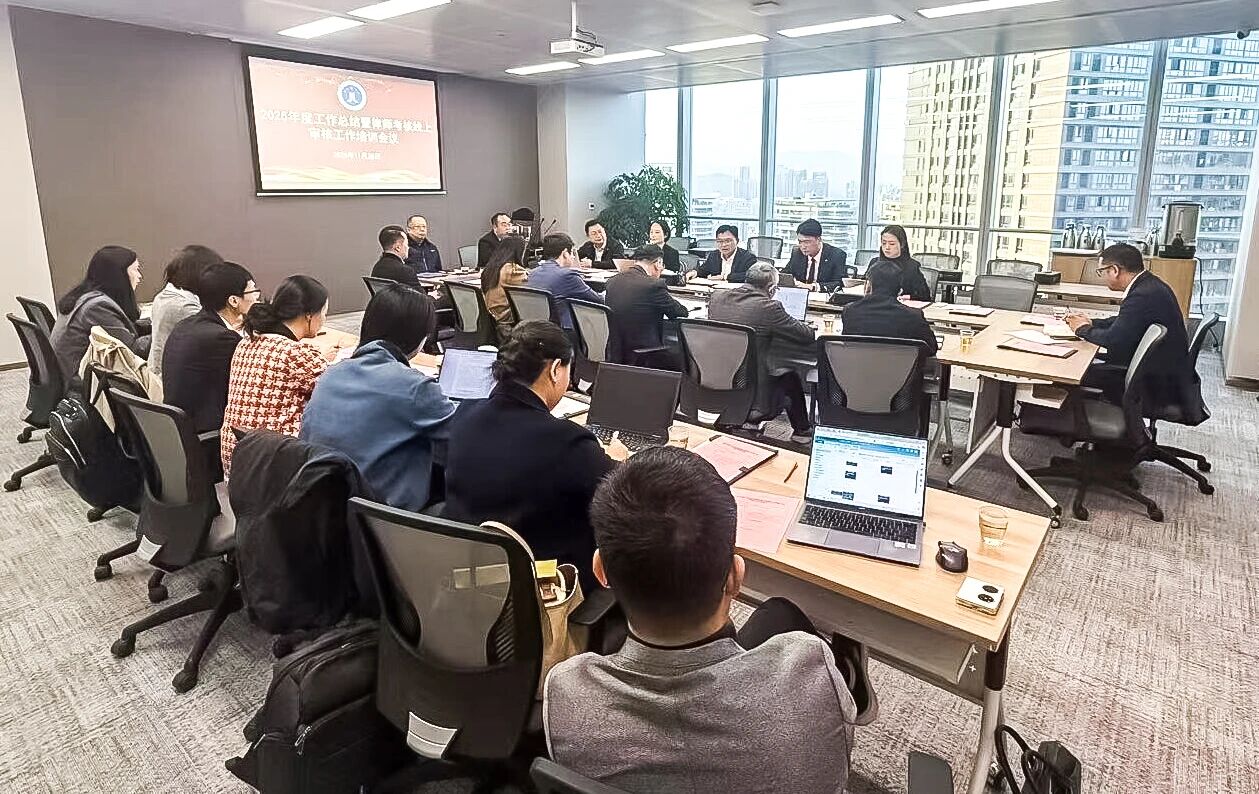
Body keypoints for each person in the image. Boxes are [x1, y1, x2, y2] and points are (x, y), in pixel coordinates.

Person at [544, 446, 857, 793]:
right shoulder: (811, 668)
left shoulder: (567, 691)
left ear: (601, 570)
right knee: (780, 615)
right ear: (736, 577)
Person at [443, 321, 615, 588]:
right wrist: (614, 456)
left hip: (469, 577)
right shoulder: (567, 441)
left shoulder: (464, 414)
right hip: (545, 585)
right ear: (555, 370)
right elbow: (625, 487)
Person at [301, 285, 455, 511]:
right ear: (419, 338)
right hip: (384, 517)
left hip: (325, 507)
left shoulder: (330, 375)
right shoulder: (414, 387)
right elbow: (464, 443)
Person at [220, 275, 331, 475]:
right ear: (309, 315)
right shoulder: (295, 354)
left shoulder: (246, 342)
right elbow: (337, 389)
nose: (324, 319)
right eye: (323, 312)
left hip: (237, 465)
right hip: (276, 468)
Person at [1064, 242, 1192, 407]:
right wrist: (1092, 322)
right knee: (1081, 363)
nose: (1102, 277)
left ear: (1115, 270)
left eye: (1102, 272)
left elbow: (1114, 340)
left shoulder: (1142, 295)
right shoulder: (1148, 285)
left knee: (1070, 370)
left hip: (1152, 383)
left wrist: (1082, 329)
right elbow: (1124, 321)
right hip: (1158, 371)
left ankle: (1068, 418)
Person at [707, 261, 814, 442]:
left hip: (717, 384)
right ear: (771, 289)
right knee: (790, 377)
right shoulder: (769, 308)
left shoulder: (717, 297)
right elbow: (807, 336)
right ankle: (802, 432)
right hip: (753, 394)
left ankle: (744, 420)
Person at [161, 262, 259, 434]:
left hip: (178, 431)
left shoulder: (186, 325)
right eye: (253, 291)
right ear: (233, 300)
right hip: (207, 435)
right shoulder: (221, 338)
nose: (257, 297)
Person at [50, 245, 149, 390]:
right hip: (80, 384)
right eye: (135, 270)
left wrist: (153, 323)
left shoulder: (86, 296)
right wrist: (165, 331)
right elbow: (131, 351)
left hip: (68, 375)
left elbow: (122, 328)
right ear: (119, 275)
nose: (139, 276)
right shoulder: (97, 307)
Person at [604, 244, 688, 368]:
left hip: (615, 354)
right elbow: (680, 313)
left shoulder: (612, 282)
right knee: (684, 359)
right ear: (658, 263)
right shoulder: (653, 285)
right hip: (646, 354)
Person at [147, 244, 223, 380]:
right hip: (171, 380)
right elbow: (220, 336)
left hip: (160, 374)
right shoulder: (184, 307)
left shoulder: (165, 296)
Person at [841, 261, 939, 356]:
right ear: (899, 291)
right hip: (900, 367)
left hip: (858, 366)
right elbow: (931, 348)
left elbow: (847, 345)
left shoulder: (850, 312)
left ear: (869, 285)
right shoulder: (913, 316)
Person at [526, 233, 605, 329]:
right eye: (572, 253)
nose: (573, 257)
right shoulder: (567, 276)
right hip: (562, 331)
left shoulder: (532, 273)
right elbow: (599, 300)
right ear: (565, 253)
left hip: (535, 329)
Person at [481, 235, 530, 335]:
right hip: (506, 317)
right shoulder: (512, 270)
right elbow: (532, 283)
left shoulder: (491, 267)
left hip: (492, 315)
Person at [871, 225, 932, 302]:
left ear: (902, 244)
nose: (887, 247)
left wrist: (909, 297)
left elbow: (924, 295)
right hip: (875, 304)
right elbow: (866, 287)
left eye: (892, 244)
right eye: (884, 243)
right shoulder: (875, 263)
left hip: (901, 305)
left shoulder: (911, 266)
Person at [785, 218, 848, 292]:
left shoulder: (836, 255)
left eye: (807, 242)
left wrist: (813, 287)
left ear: (818, 239)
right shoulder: (797, 253)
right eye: (800, 242)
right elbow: (785, 275)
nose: (803, 246)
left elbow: (840, 283)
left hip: (823, 296)